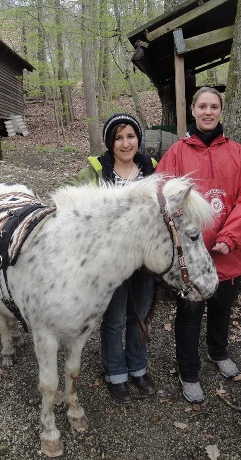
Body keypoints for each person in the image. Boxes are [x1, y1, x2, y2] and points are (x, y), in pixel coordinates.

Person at [155, 87, 241, 404]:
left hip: (228, 253)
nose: (208, 111)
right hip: (190, 258)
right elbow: (160, 194)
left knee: (221, 308)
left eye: (214, 106)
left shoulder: (239, 154)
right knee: (189, 315)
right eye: (202, 106)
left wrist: (230, 238)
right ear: (193, 110)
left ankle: (218, 350)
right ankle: (189, 372)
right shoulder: (176, 153)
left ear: (221, 111)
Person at [66, 113, 158, 404]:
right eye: (118, 137)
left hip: (145, 261)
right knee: (114, 319)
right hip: (111, 263)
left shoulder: (152, 169)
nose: (125, 143)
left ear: (138, 140)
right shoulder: (96, 171)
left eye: (130, 136)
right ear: (110, 142)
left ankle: (138, 367)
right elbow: (66, 198)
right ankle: (116, 373)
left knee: (140, 316)